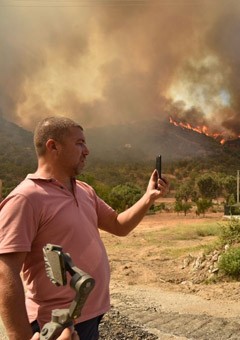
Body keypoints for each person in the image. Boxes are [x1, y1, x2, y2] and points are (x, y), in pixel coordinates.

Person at [0, 116, 169, 339]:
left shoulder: (84, 190)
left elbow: (119, 225)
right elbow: (5, 271)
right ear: (53, 146)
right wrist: (20, 336)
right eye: (79, 143)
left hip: (89, 316)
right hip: (55, 326)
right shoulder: (26, 198)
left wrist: (148, 198)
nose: (87, 150)